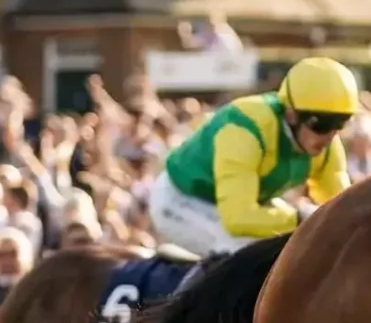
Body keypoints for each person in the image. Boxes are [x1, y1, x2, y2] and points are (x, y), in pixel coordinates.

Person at [148, 57, 358, 256]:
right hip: (181, 199)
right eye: (321, 123)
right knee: (243, 252)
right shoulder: (245, 129)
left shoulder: (326, 144)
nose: (330, 135)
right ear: (292, 114)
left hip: (243, 204)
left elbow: (345, 209)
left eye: (340, 123)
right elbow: (238, 219)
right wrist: (301, 217)